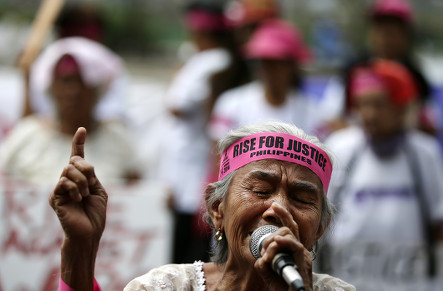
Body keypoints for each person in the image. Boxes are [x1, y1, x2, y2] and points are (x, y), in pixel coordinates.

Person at [50, 121, 355, 290]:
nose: (278, 208)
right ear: (217, 209)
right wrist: (80, 247)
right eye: (261, 190)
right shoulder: (163, 287)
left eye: (301, 199)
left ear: (320, 228)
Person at [318, 60, 443, 290]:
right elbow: (321, 218)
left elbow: (437, 226)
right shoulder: (339, 148)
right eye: (362, 105)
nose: (369, 115)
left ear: (402, 106)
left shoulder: (425, 153)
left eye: (379, 104)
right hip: (346, 282)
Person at [162, 1, 250, 264]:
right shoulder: (215, 61)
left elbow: (175, 106)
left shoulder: (210, 61)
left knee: (191, 255)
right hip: (192, 171)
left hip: (198, 170)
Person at [0, 37, 140, 184]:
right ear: (51, 88)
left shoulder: (118, 138)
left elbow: (139, 191)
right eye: (65, 81)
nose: (74, 91)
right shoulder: (27, 134)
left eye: (82, 81)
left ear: (97, 90)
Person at [209, 19, 338, 142]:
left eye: (278, 63)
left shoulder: (312, 112)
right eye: (265, 62)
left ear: (292, 66)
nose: (269, 70)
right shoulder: (231, 104)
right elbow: (218, 157)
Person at [337, 0, 434, 134]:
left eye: (393, 31)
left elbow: (430, 124)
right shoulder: (353, 69)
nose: (386, 37)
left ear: (406, 35)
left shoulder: (416, 76)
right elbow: (332, 118)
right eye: (381, 29)